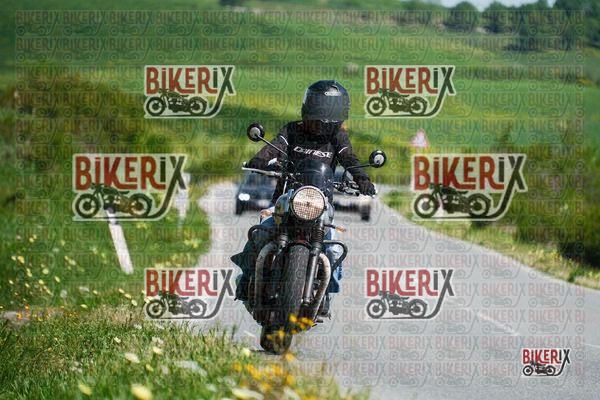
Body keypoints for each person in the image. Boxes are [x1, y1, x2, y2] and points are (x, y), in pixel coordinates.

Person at [231, 80, 376, 316]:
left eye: (327, 109)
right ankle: (247, 280)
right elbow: (274, 147)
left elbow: (349, 158)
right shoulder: (292, 130)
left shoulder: (338, 138)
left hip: (320, 205)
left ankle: (325, 295)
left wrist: (362, 178)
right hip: (287, 200)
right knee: (261, 233)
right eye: (319, 106)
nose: (321, 116)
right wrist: (259, 160)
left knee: (334, 250)